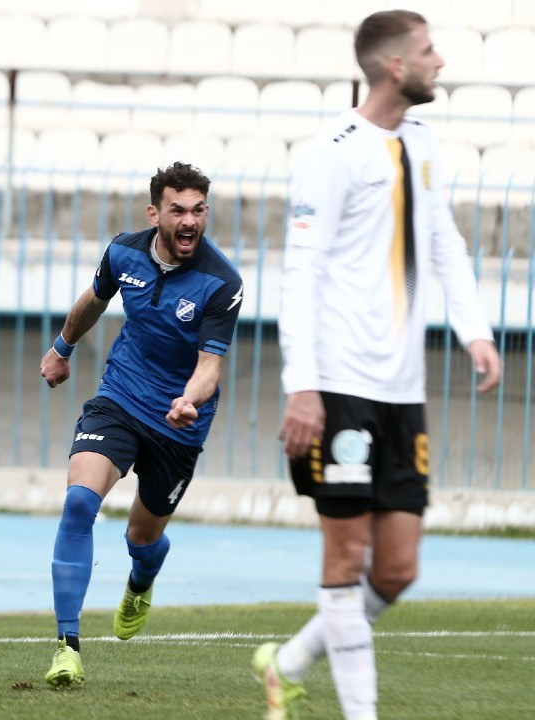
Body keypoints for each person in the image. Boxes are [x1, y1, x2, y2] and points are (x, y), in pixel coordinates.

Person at [253, 11, 502, 720]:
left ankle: (287, 662)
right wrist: (302, 385)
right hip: (339, 388)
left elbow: (443, 241)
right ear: (396, 65)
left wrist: (475, 331)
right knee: (345, 560)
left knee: (397, 569)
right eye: (428, 50)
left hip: (402, 391)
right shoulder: (331, 153)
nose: (440, 60)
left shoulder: (422, 144)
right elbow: (300, 273)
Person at [39, 162, 244, 688]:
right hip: (121, 396)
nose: (190, 220)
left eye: (199, 210)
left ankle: (141, 578)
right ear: (155, 214)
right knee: (79, 502)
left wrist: (188, 400)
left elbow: (211, 365)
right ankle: (67, 647)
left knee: (142, 537)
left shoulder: (222, 282)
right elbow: (94, 300)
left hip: (180, 422)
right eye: (178, 210)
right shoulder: (123, 252)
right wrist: (62, 347)